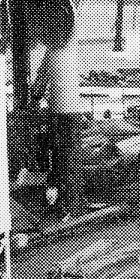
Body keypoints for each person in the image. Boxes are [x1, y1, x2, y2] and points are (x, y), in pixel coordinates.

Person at [30, 29, 87, 214]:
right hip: (67, 115)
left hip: (63, 116)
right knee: (65, 159)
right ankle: (70, 204)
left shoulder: (52, 52)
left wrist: (35, 99)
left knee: (61, 158)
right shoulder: (60, 50)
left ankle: (67, 204)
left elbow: (39, 86)